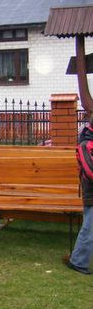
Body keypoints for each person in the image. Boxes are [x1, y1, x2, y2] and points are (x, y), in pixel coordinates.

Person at [66, 113, 93, 275]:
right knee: (89, 229)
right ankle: (78, 261)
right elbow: (90, 171)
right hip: (92, 193)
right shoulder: (85, 143)